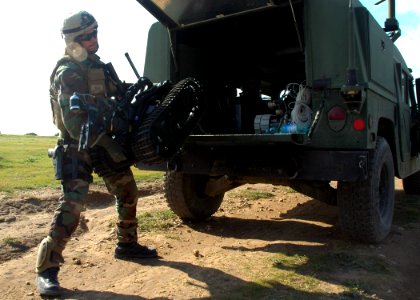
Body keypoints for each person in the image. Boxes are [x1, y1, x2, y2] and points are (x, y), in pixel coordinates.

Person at [35, 11, 158, 296]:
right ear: (74, 40)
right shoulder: (68, 72)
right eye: (87, 36)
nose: (93, 39)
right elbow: (75, 125)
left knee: (127, 190)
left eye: (95, 32)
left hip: (101, 142)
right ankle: (46, 269)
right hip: (77, 147)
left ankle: (126, 244)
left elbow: (117, 92)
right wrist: (110, 132)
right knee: (72, 207)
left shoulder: (97, 67)